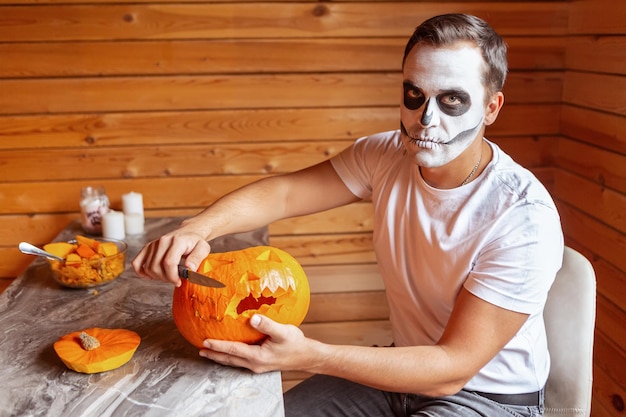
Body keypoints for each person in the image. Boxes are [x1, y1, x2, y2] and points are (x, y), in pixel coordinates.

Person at [133, 13, 563, 417]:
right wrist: (197, 227)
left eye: (452, 100)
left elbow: (453, 367)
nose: (426, 119)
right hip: (400, 371)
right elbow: (283, 193)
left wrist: (313, 356)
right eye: (415, 94)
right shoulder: (386, 155)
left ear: (491, 107)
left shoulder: (523, 215)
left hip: (487, 398)